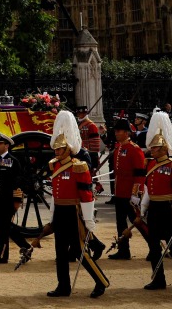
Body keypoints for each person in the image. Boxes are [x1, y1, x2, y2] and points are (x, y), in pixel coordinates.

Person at [30, 110, 108, 299]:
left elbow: (87, 195)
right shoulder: (54, 165)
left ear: (68, 149)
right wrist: (51, 219)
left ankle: (101, 281)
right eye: (55, 149)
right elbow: (55, 197)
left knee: (79, 250)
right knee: (60, 253)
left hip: (74, 212)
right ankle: (63, 286)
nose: (56, 152)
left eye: (60, 149)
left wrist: (89, 220)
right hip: (60, 212)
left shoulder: (78, 166)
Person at [131, 110, 172, 289]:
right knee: (154, 246)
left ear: (164, 148)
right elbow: (149, 189)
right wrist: (144, 209)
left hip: (168, 208)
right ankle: (158, 278)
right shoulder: (151, 164)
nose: (151, 149)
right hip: (155, 208)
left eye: (155, 147)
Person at [0, 133, 29, 263]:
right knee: (4, 227)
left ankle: (2, 255)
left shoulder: (13, 161)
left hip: (7, 200)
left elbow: (18, 183)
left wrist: (17, 200)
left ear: (6, 145)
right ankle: (24, 246)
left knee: (3, 229)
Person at [107, 117, 145, 260]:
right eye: (116, 131)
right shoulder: (119, 148)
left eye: (119, 131)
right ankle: (124, 250)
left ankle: (153, 246)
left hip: (130, 193)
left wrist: (135, 193)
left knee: (138, 222)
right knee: (121, 222)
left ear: (126, 133)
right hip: (120, 192)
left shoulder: (134, 149)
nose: (116, 133)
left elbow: (139, 174)